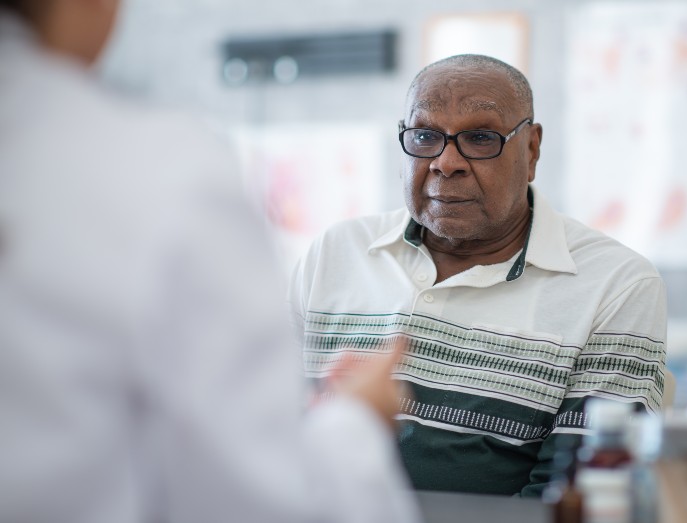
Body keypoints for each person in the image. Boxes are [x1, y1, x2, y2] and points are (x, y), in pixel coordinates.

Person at [0, 1, 420, 522]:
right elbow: (262, 502)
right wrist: (357, 419)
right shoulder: (161, 173)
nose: (446, 163)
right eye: (424, 137)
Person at [291, 54, 668, 497]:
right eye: (426, 135)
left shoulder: (615, 284)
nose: (446, 162)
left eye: (481, 138)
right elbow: (261, 440)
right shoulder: (334, 253)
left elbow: (579, 497)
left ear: (531, 150)